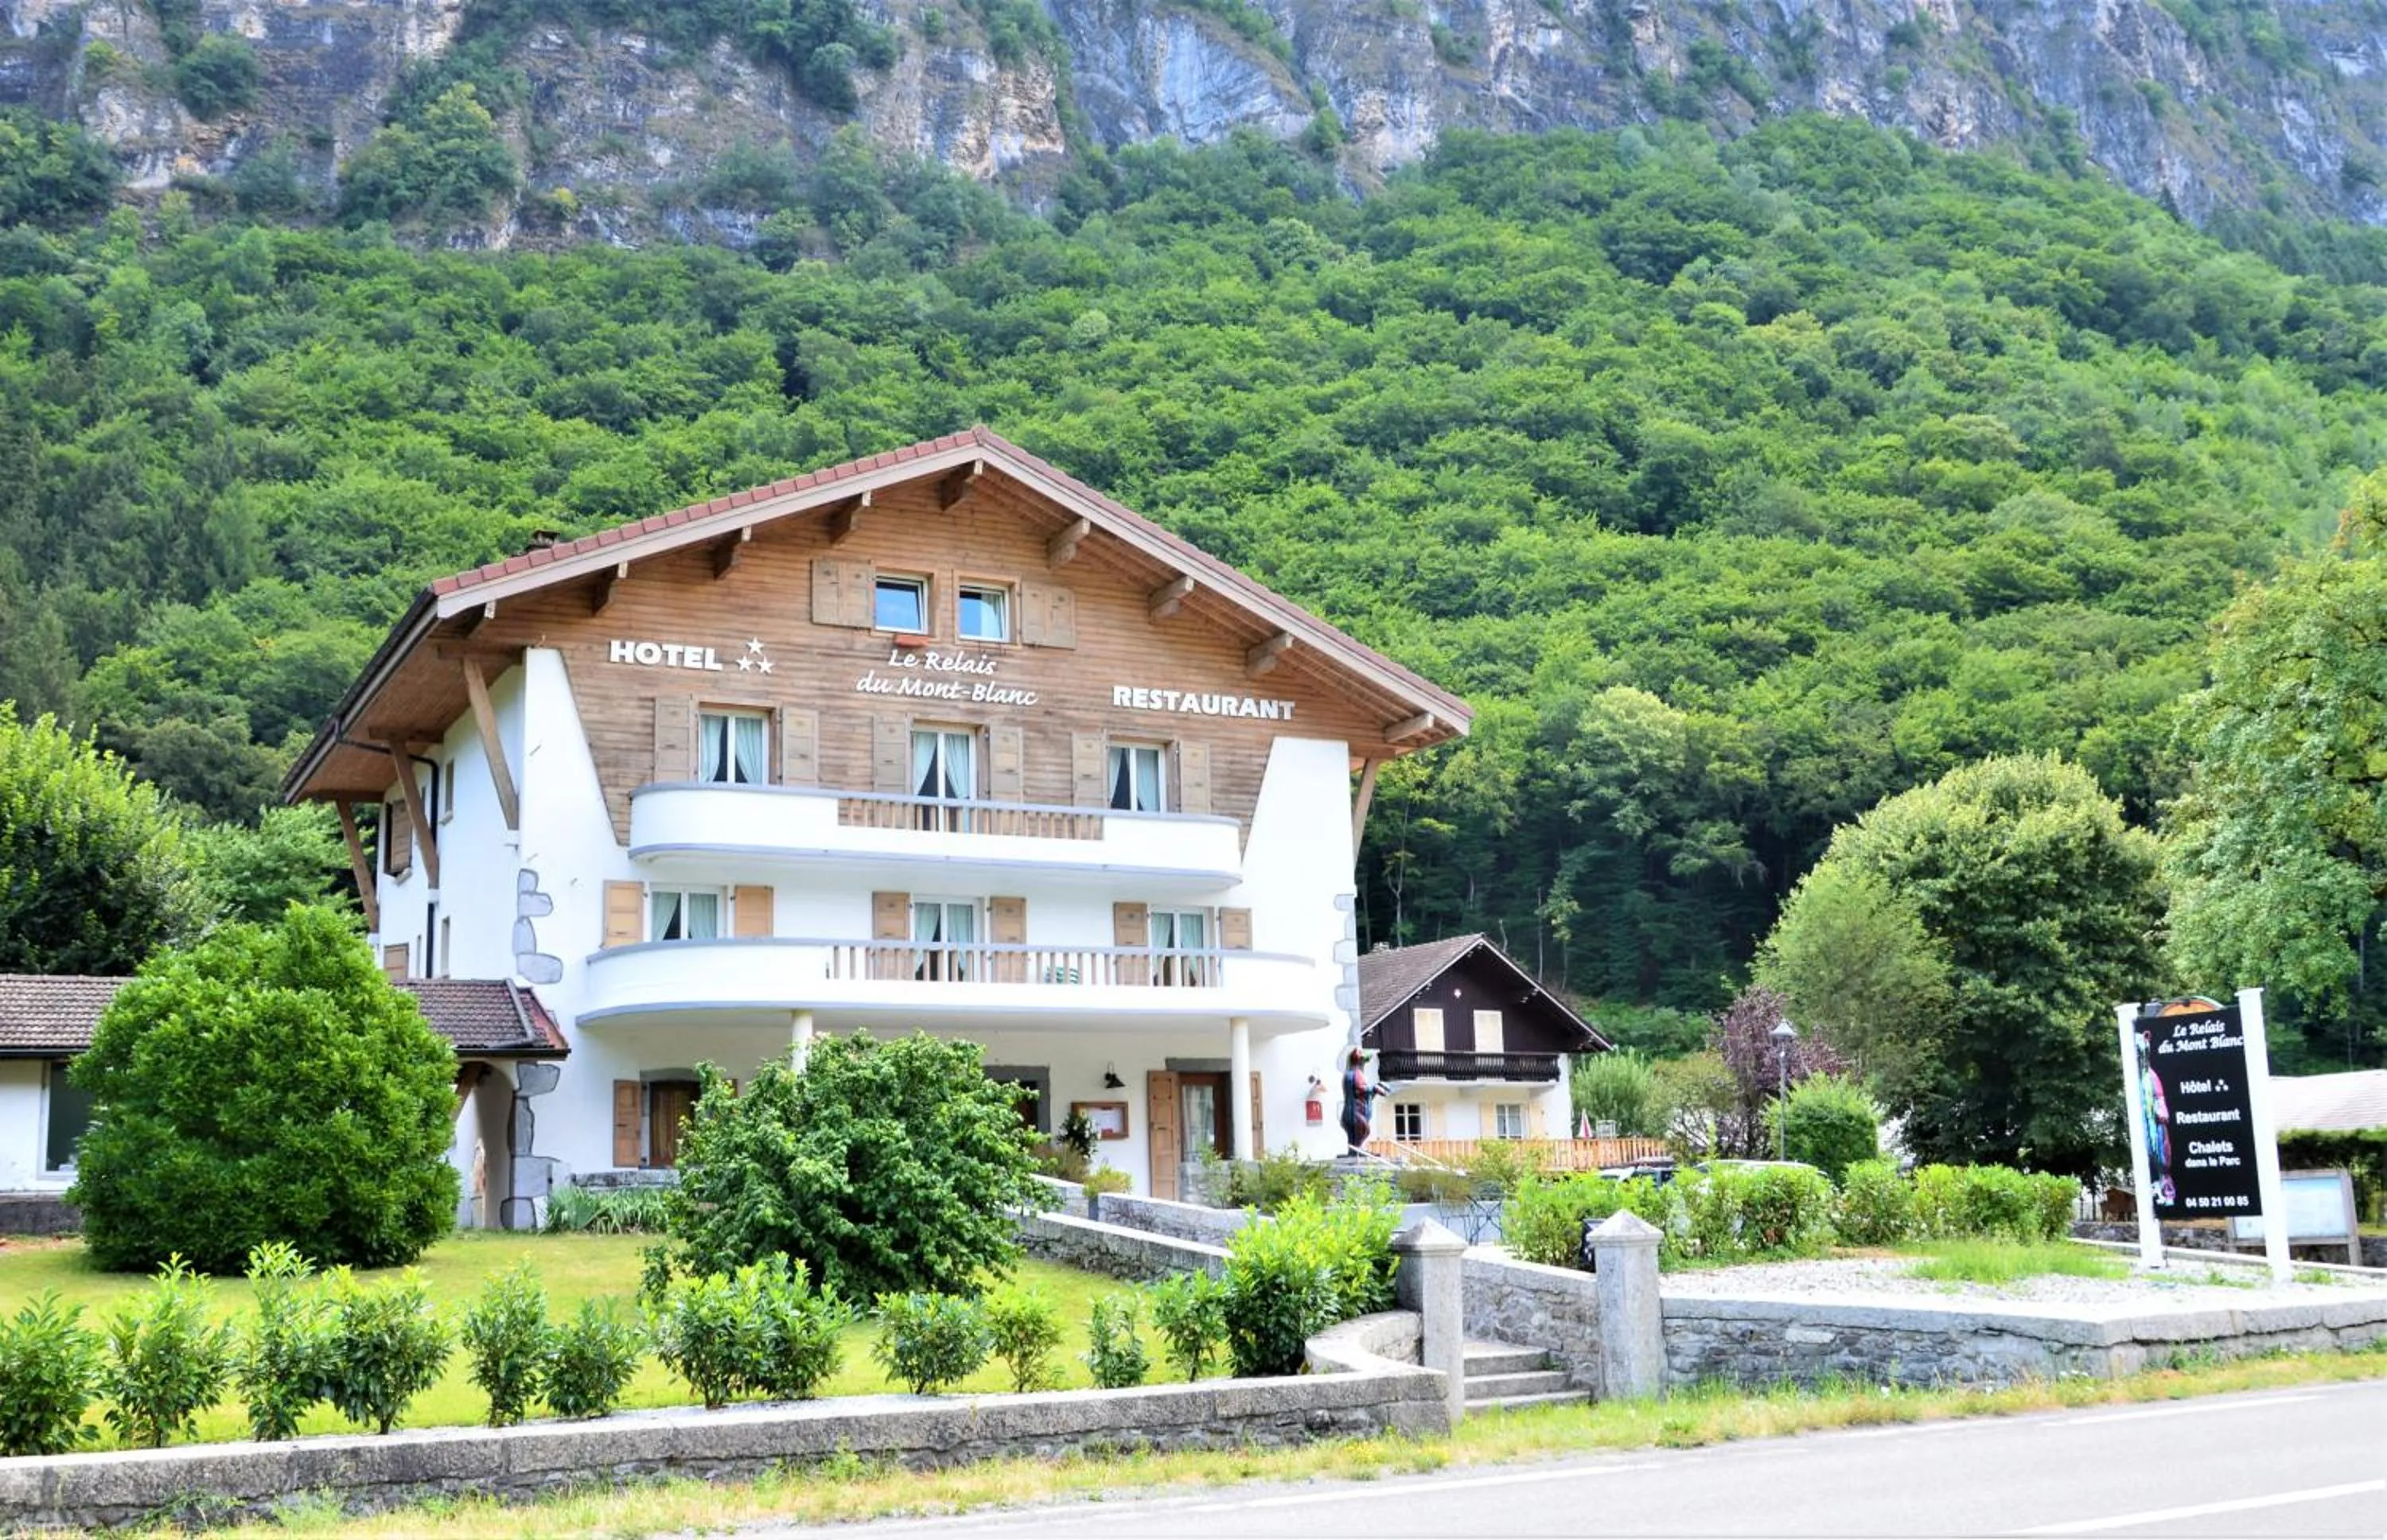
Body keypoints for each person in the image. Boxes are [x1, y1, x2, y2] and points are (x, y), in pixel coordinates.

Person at [1338, 1047, 1393, 1155]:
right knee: (1363, 1130)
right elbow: (1361, 1089)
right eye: (1364, 1061)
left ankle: (1355, 1152)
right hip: (1354, 1113)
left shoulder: (1350, 1073)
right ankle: (1356, 1152)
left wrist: (1374, 1091)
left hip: (1352, 1112)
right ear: (1360, 1061)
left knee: (1358, 1134)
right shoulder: (1356, 1073)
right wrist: (1375, 1088)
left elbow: (1363, 1094)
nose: (1364, 1065)